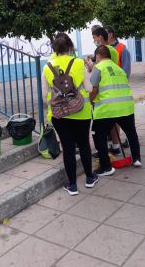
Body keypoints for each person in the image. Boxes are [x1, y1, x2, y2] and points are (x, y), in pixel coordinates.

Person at [42, 32, 98, 195]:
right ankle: (89, 178)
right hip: (81, 111)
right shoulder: (79, 63)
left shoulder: (47, 67)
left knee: (67, 148)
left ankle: (72, 185)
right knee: (84, 144)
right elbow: (88, 88)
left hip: (59, 114)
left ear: (55, 48)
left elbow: (45, 92)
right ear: (70, 47)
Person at [90, 45, 141, 176]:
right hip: (126, 107)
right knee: (131, 133)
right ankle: (136, 159)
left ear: (98, 56)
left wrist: (90, 101)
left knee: (98, 136)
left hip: (107, 109)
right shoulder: (119, 69)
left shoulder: (98, 68)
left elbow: (93, 89)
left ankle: (106, 167)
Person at [105, 25, 132, 154]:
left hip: (119, 89)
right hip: (108, 90)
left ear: (110, 34)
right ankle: (115, 143)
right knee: (113, 119)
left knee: (122, 118)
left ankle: (126, 139)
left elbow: (126, 72)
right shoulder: (104, 50)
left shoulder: (122, 49)